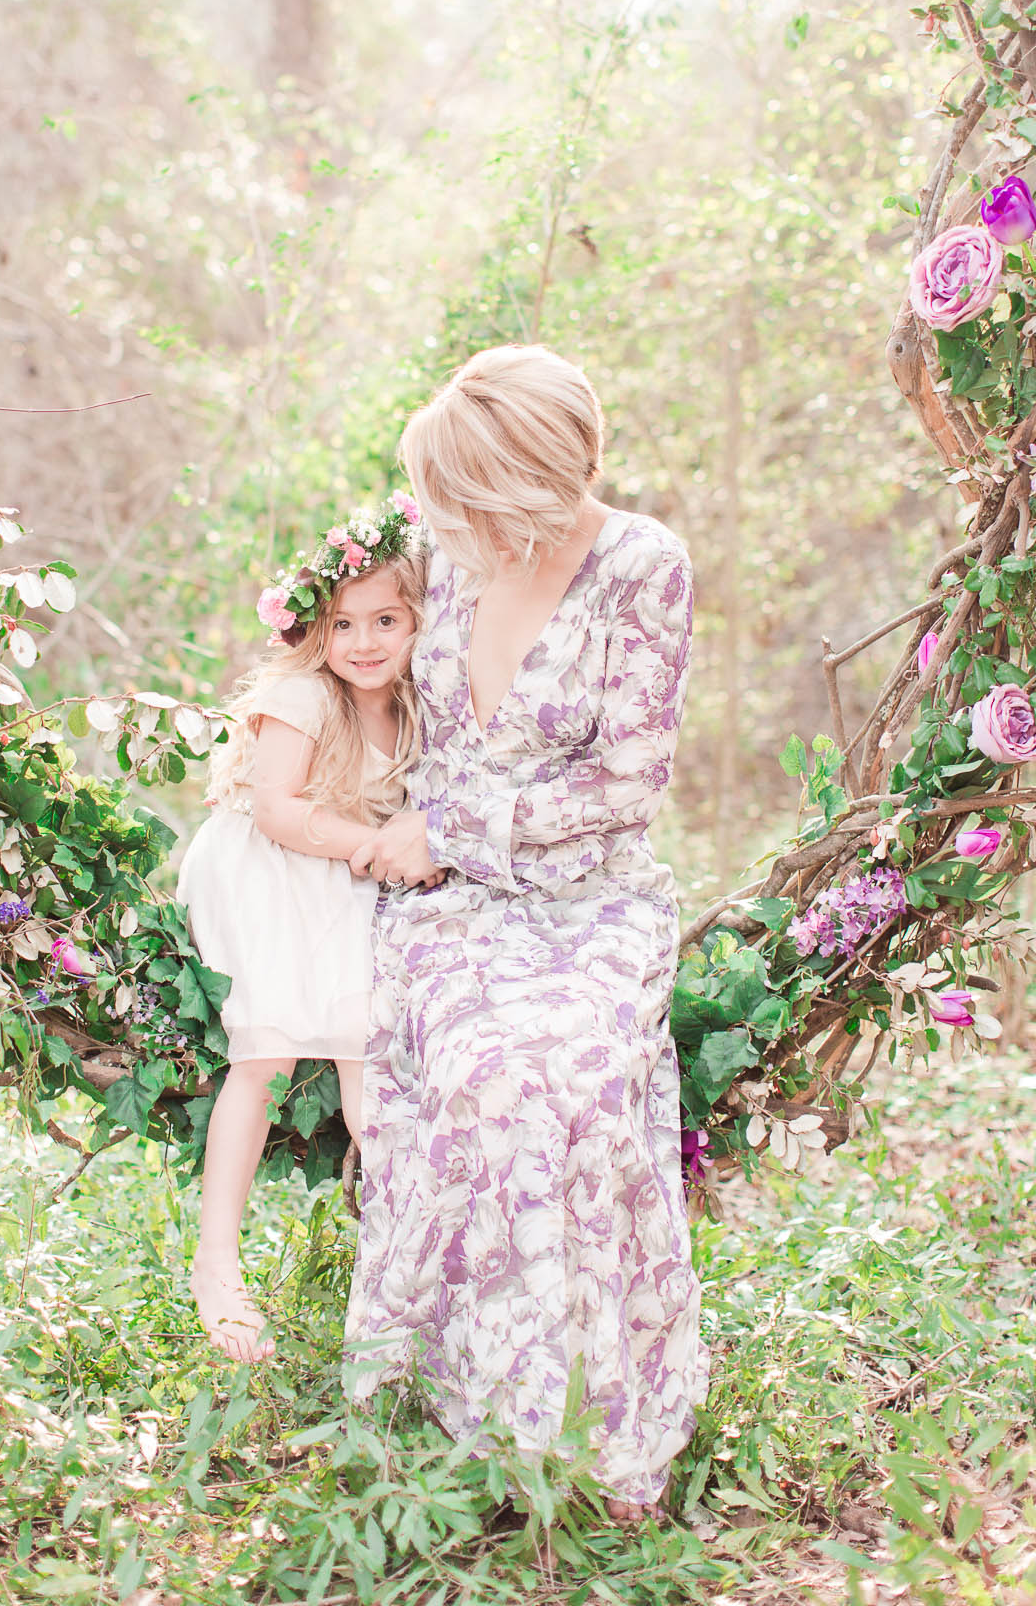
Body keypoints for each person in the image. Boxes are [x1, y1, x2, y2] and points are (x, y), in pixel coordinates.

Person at [342, 346, 706, 1520]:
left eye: (470, 493)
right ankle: (479, 1401)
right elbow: (356, 662)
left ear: (529, 477)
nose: (451, 518)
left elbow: (628, 784)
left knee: (583, 1080)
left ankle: (603, 1421)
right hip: (449, 904)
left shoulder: (642, 566)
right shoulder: (446, 554)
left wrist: (452, 825)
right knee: (488, 1073)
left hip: (589, 891)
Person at [178, 494, 435, 1362]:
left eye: (386, 621)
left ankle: (414, 1272)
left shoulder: (411, 708)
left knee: (372, 1064)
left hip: (340, 878)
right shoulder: (303, 697)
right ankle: (217, 1262)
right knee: (270, 1053)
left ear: (417, 621)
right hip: (265, 869)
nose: (363, 643)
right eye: (342, 623)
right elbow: (279, 813)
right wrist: (376, 846)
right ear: (313, 630)